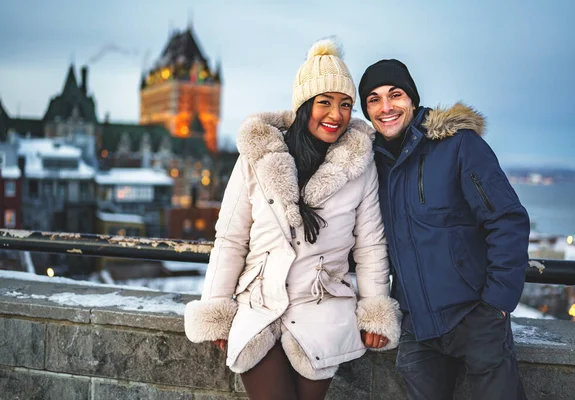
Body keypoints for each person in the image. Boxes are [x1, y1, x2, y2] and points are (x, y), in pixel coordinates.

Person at [184, 39, 401, 400]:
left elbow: (371, 244)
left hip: (323, 309)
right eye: (325, 102)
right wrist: (217, 310)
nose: (336, 115)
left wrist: (374, 312)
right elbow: (230, 237)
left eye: (345, 105)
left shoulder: (359, 167)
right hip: (258, 308)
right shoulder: (258, 155)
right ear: (304, 105)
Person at [358, 59, 530, 400]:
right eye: (374, 99)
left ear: (413, 99)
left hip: (475, 317)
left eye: (395, 95)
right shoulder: (371, 163)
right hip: (417, 326)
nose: (386, 107)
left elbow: (507, 220)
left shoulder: (458, 145)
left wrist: (497, 304)